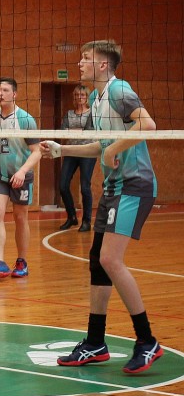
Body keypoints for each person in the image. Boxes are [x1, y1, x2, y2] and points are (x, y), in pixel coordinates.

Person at [41, 40, 162, 374]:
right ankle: (95, 342)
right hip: (113, 187)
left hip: (135, 185)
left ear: (103, 65)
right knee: (97, 261)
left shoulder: (119, 90)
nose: (80, 63)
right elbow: (102, 146)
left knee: (110, 259)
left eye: (86, 58)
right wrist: (63, 150)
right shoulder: (96, 98)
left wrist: (113, 150)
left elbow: (148, 125)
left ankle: (147, 340)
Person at [0, 77, 41, 281]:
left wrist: (22, 172)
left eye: (4, 90)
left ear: (14, 94)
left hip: (21, 175)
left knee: (20, 217)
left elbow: (37, 151)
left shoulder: (25, 119)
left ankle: (22, 261)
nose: (0, 94)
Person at [56, 84, 97, 232]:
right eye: (77, 95)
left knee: (85, 187)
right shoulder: (69, 114)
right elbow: (63, 132)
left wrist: (71, 130)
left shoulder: (92, 113)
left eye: (82, 95)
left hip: (87, 151)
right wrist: (76, 131)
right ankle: (72, 217)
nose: (79, 97)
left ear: (87, 97)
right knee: (63, 185)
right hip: (71, 151)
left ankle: (86, 221)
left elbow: (88, 131)